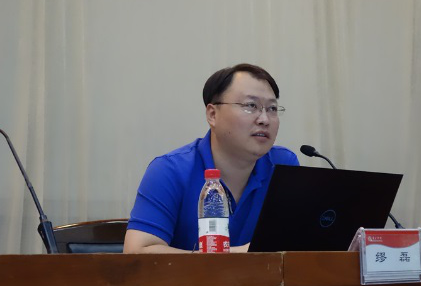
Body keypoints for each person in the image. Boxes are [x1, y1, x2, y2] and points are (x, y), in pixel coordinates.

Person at [123, 63, 299, 253]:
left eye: (272, 108)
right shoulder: (170, 170)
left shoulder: (283, 166)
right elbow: (137, 252)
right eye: (251, 106)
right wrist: (243, 254)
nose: (264, 119)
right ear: (212, 114)